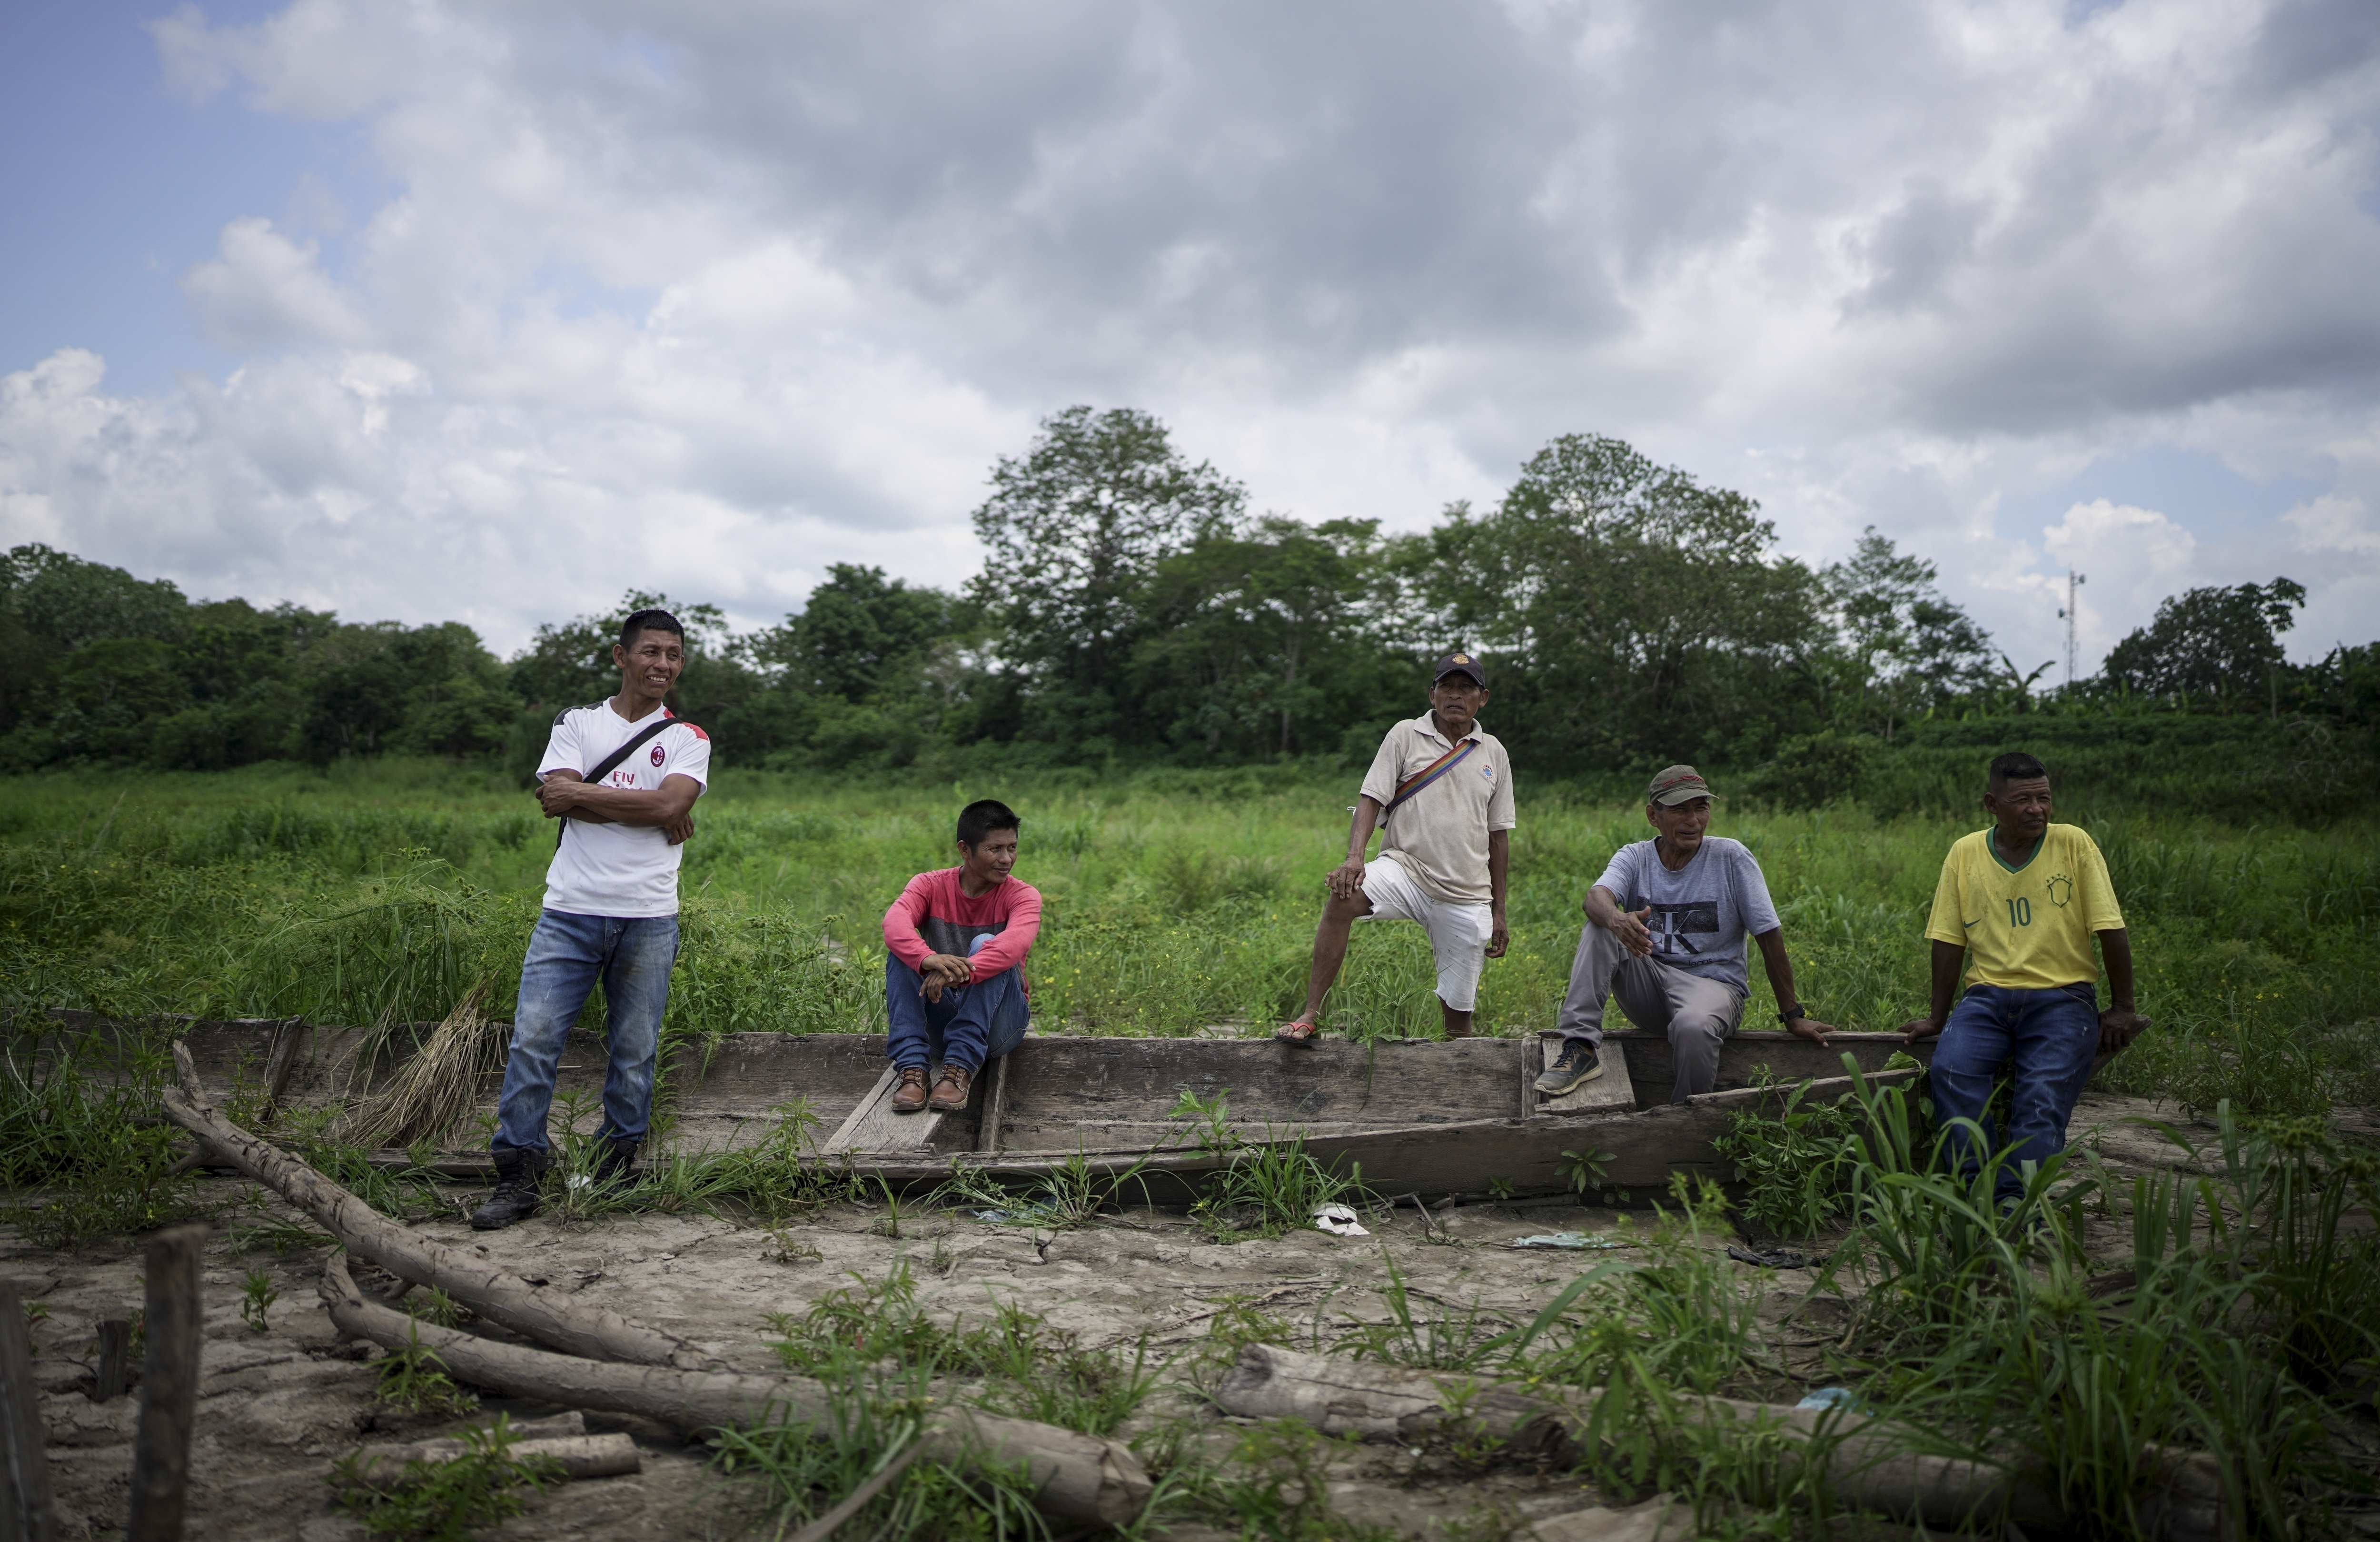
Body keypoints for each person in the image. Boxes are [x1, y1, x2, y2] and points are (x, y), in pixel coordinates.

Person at [471, 609, 711, 1231]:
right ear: (621, 657)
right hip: (569, 912)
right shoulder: (576, 723)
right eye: (652, 651)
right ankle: (519, 1172)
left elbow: (664, 801)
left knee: (635, 1049)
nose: (664, 663)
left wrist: (586, 797)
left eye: (674, 654)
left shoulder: (689, 736)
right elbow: (561, 794)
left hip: (649, 917)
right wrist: (648, 807)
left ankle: (615, 1161)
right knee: (533, 1040)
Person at [1901, 752, 2146, 1202]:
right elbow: (1948, 940)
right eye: (2023, 800)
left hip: (2062, 998)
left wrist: (2122, 1007)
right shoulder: (1966, 852)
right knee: (1951, 1072)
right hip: (1988, 999)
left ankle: (2016, 1203)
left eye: (2044, 798)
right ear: (1992, 804)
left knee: (2039, 1102)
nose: (2037, 809)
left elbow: (2110, 927)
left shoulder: (2073, 844)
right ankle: (1974, 1194)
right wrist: (1937, 1019)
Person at [1536, 766, 1835, 1100]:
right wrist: (1619, 920)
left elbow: (1769, 935)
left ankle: (1684, 1117)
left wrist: (1793, 1015)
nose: (1693, 820)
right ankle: (1581, 1048)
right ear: (1654, 815)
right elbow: (1596, 898)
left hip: (1714, 989)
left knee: (1692, 1026)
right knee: (1602, 925)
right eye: (1680, 809)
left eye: (1701, 808)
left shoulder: (1731, 857)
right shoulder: (1635, 856)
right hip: (1651, 986)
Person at [1276, 654, 1513, 1043]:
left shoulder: (1495, 753)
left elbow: (1498, 835)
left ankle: (1461, 1066)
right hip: (1405, 869)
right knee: (1343, 896)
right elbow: (1371, 799)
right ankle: (1309, 1015)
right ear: (1432, 693)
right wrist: (1355, 858)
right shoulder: (1405, 734)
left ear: (1482, 698)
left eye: (1466, 688)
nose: (1456, 696)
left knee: (1459, 1020)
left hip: (1467, 893)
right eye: (1447, 687)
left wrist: (1499, 910)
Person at [882, 799, 1041, 1114]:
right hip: (941, 1027)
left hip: (1001, 1026)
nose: (1006, 858)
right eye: (994, 849)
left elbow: (1011, 947)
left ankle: (960, 1067)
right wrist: (927, 959)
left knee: (987, 943)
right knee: (903, 952)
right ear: (965, 850)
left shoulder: (1023, 895)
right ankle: (913, 1068)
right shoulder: (928, 885)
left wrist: (956, 972)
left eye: (1012, 847)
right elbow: (894, 925)